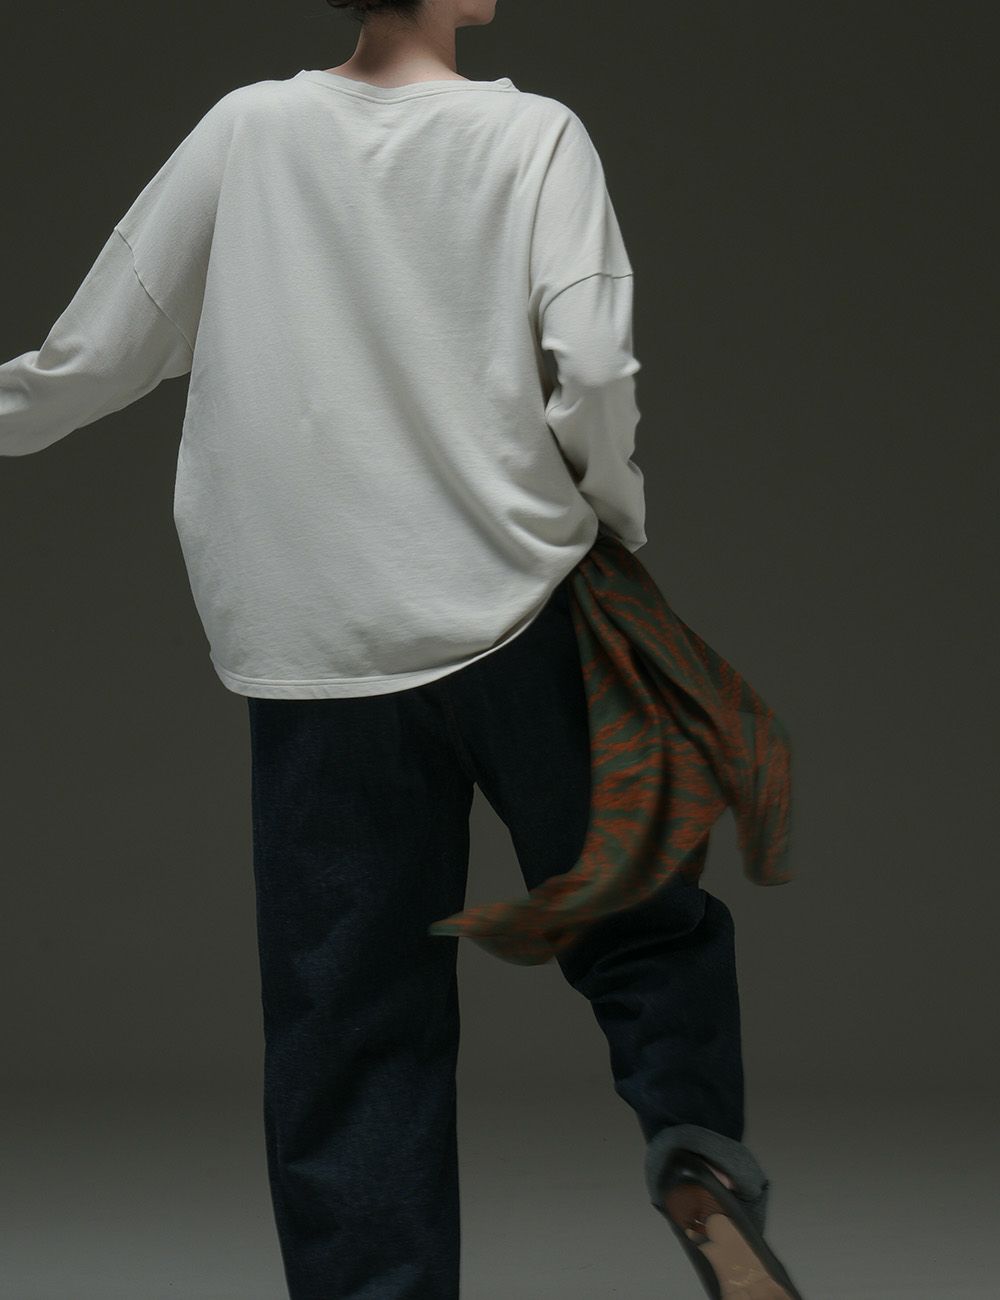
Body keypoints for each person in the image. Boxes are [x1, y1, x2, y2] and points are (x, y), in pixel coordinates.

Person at [0, 1, 803, 1296]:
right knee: (642, 915)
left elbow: (93, 356)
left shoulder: (248, 131)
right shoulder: (534, 137)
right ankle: (697, 1150)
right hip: (522, 606)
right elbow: (595, 366)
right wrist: (613, 513)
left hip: (319, 650)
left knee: (348, 1020)